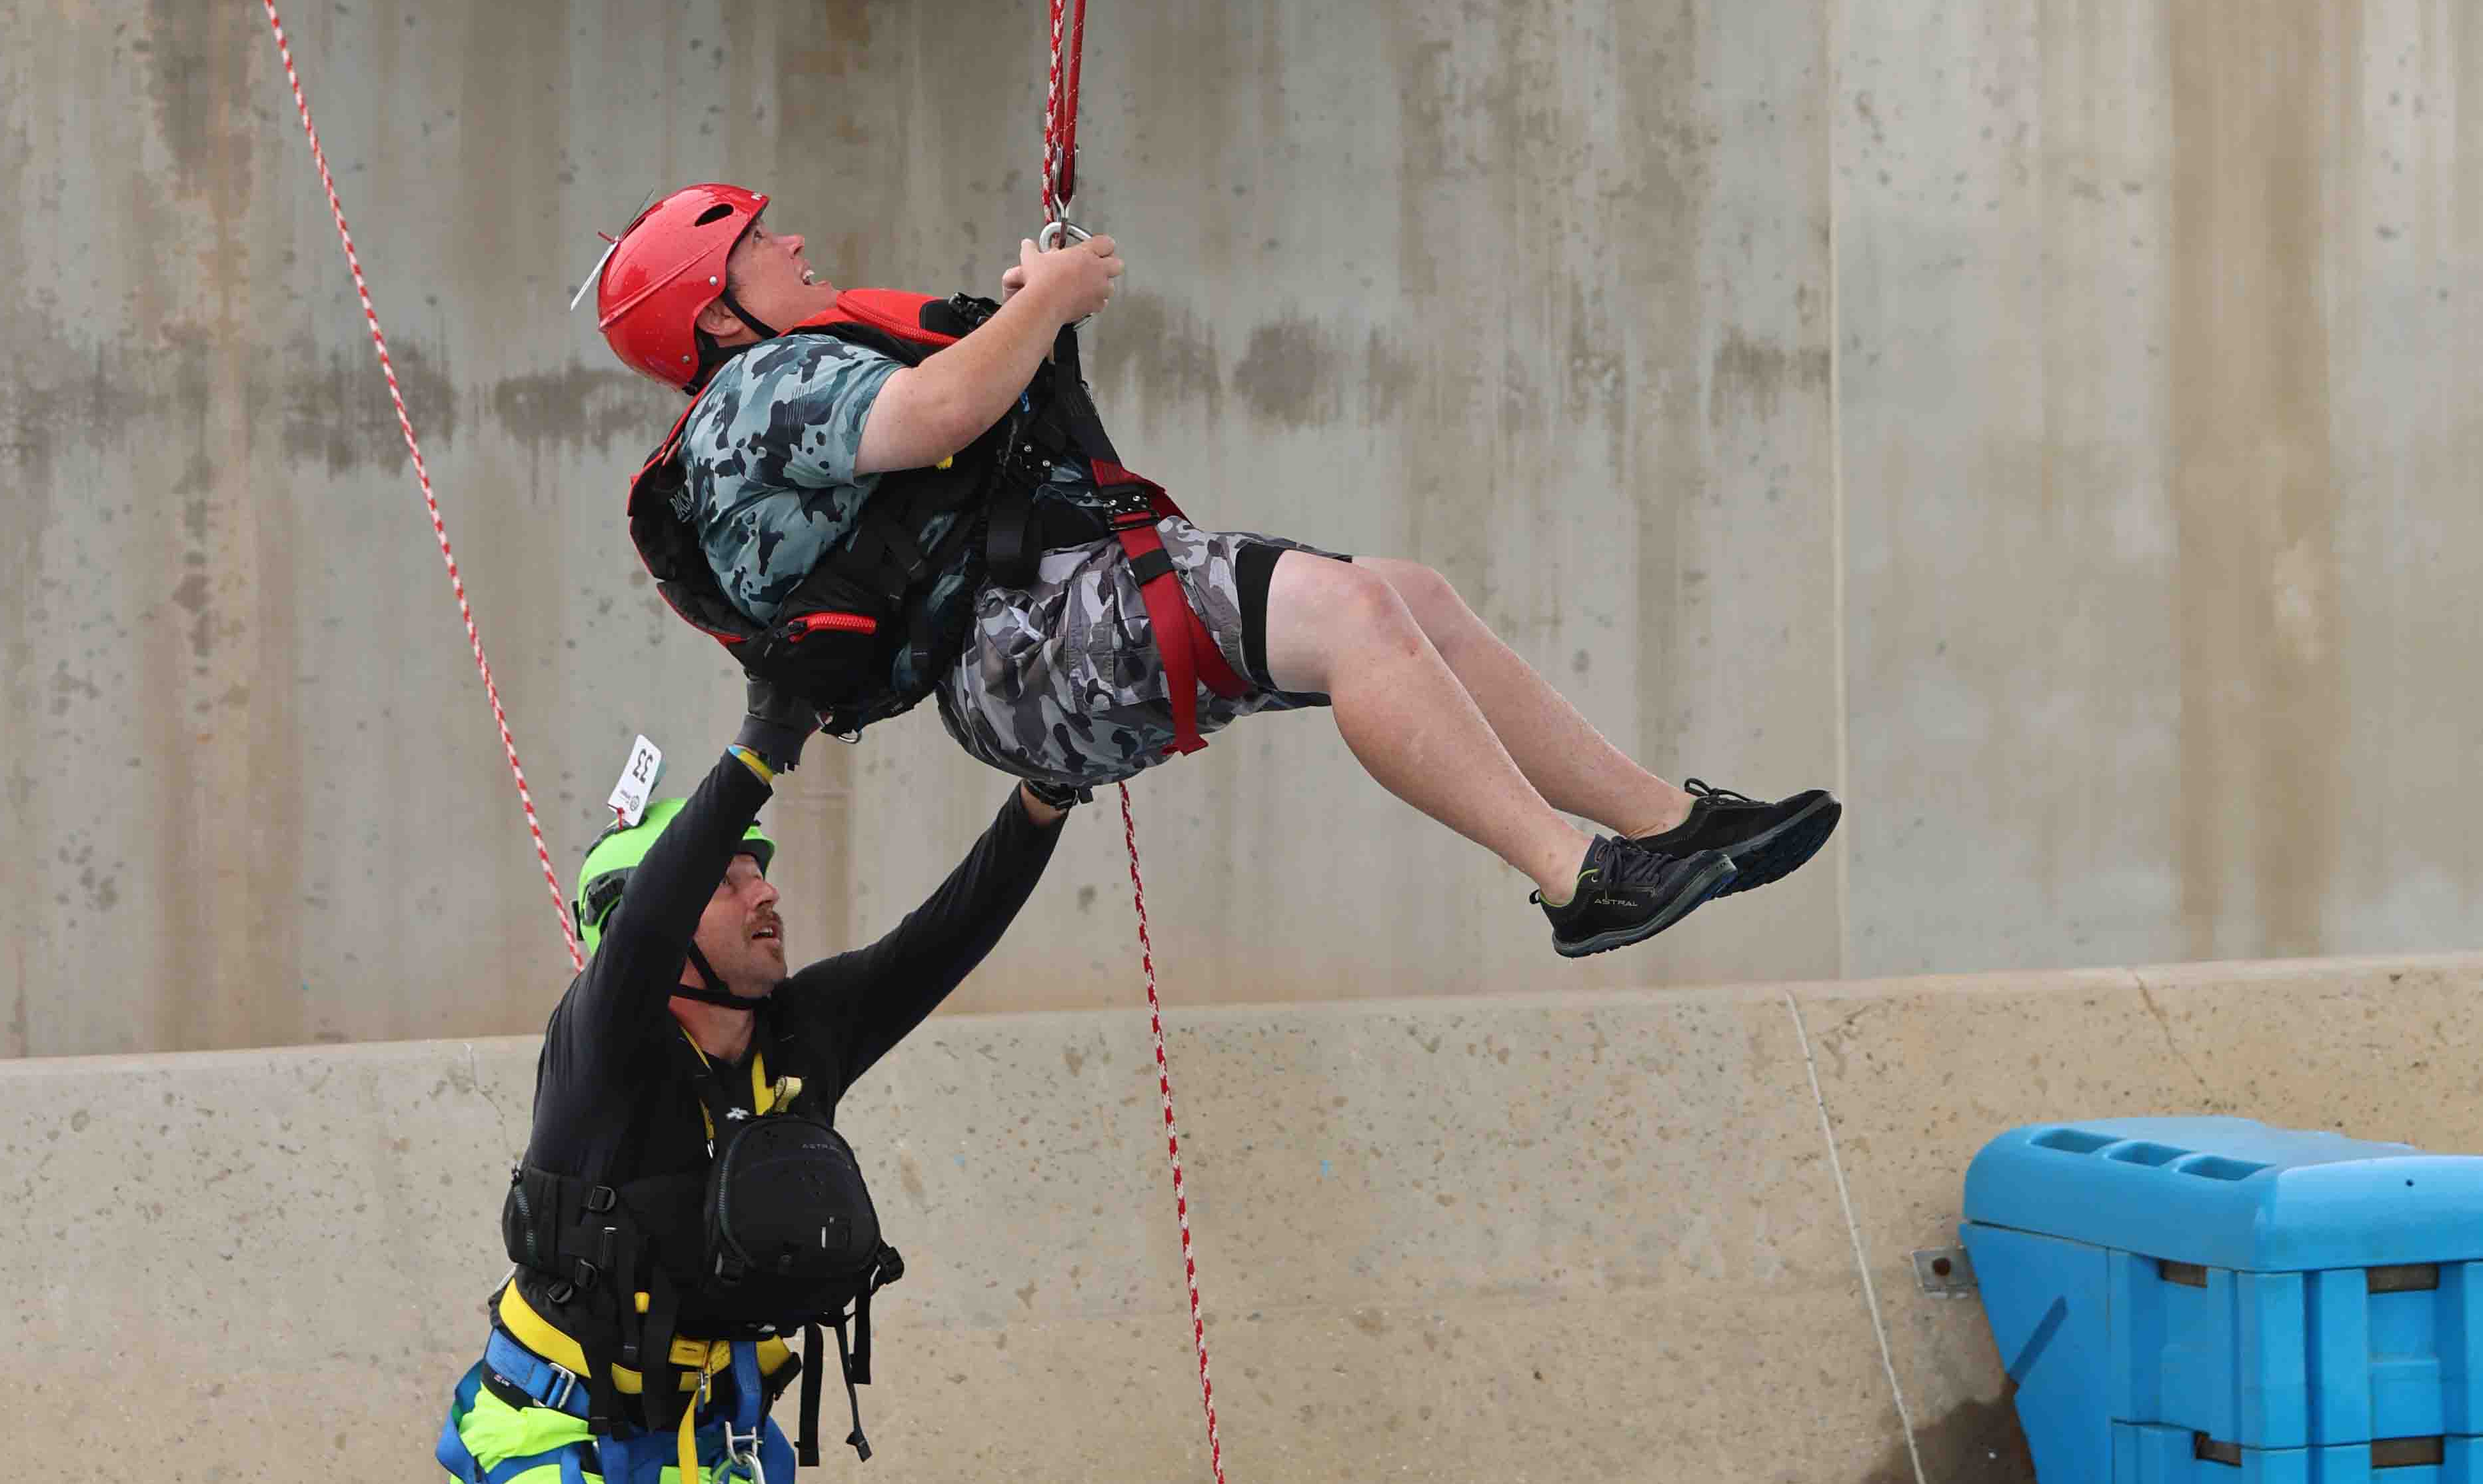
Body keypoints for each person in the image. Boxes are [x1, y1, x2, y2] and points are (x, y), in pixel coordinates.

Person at [588, 188, 1843, 961]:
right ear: (713, 312)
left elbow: (948, 417)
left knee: (1411, 599)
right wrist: (1057, 298)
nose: (793, 237)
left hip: (1037, 641)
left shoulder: (777, 385)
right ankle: (1577, 880)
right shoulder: (754, 389)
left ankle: (1666, 826)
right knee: (1356, 615)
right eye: (756, 240)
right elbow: (935, 413)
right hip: (1030, 640)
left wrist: (1027, 313)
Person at [421, 668, 1068, 1484]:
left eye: (763, 870)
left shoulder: (803, 1035)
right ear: (654, 934)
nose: (765, 892)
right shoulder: (603, 1052)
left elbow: (944, 937)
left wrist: (1044, 800)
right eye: (730, 880)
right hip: (547, 1428)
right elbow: (650, 918)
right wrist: (763, 744)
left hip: (705, 1443)